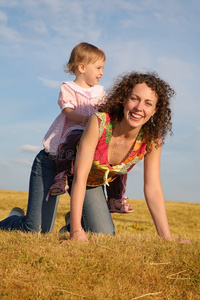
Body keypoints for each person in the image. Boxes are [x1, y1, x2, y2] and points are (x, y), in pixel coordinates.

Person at [58, 71, 190, 243]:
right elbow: (80, 177)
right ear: (124, 99)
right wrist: (76, 232)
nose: (139, 107)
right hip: (61, 169)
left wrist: (167, 238)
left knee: (103, 235)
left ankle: (73, 220)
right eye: (134, 99)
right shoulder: (98, 123)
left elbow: (153, 188)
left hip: (94, 182)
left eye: (148, 103)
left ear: (155, 111)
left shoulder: (152, 140)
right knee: (34, 226)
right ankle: (15, 219)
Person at [0, 42, 107, 233]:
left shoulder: (100, 92)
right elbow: (67, 111)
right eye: (98, 68)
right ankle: (13, 219)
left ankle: (71, 224)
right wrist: (86, 119)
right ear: (82, 67)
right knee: (37, 230)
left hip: (83, 160)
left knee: (100, 232)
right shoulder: (69, 87)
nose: (102, 73)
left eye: (102, 68)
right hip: (55, 158)